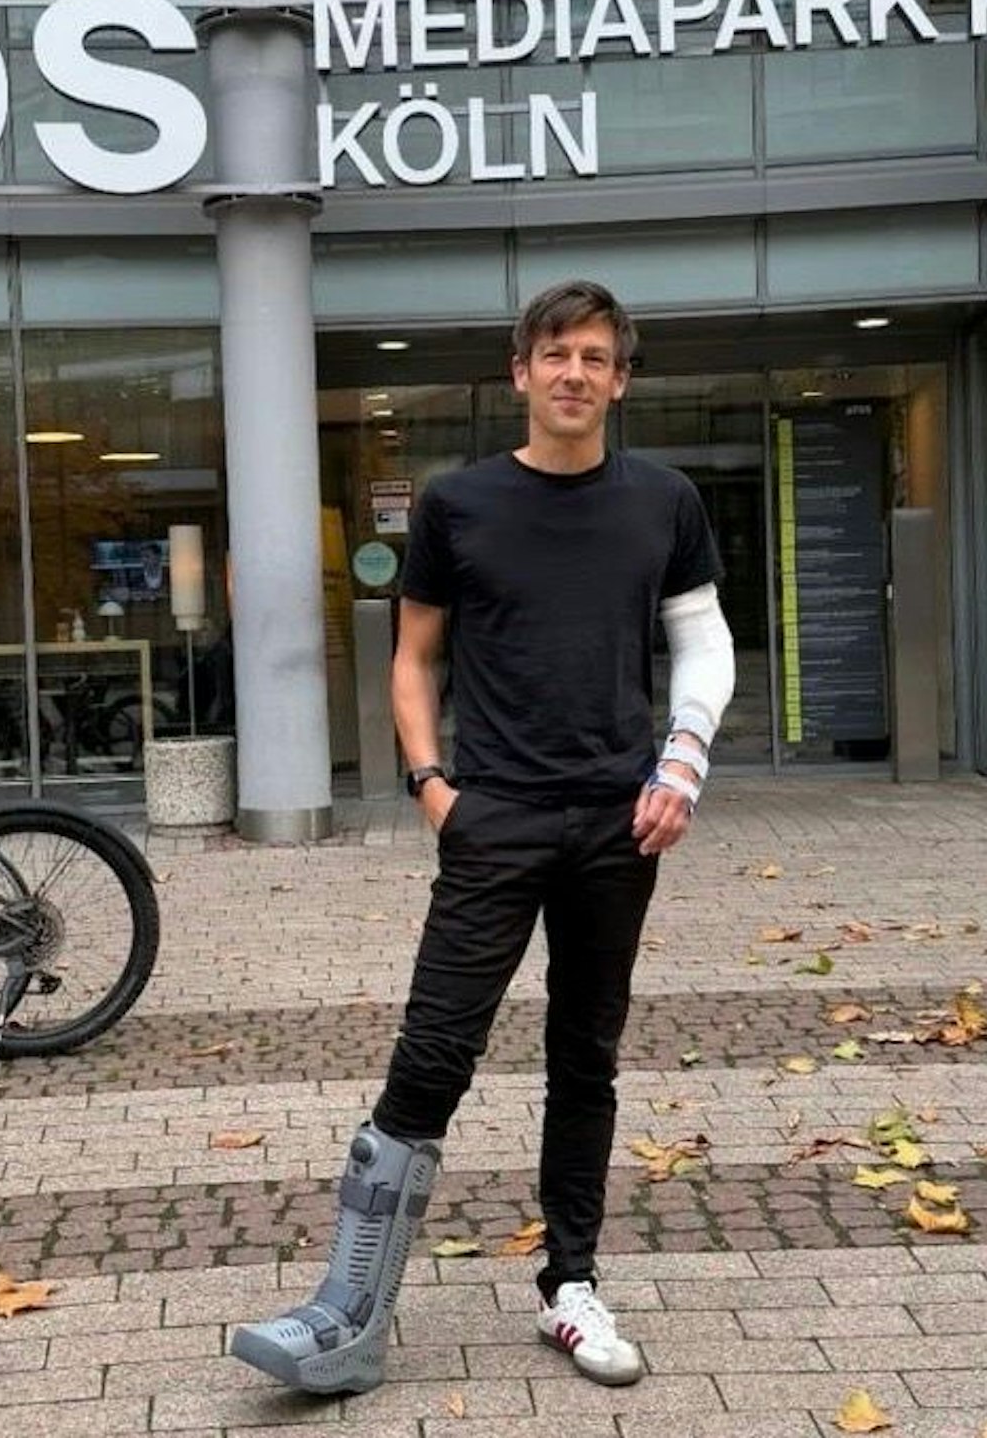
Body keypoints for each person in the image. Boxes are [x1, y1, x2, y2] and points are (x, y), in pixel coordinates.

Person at [231, 281, 736, 1395]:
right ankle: (349, 1315)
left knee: (584, 1057)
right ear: (520, 373)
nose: (574, 373)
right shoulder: (459, 505)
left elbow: (702, 644)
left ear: (619, 381)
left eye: (596, 357)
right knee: (431, 1053)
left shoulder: (663, 500)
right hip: (492, 817)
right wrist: (428, 783)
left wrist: (683, 759)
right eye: (555, 353)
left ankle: (569, 1285)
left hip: (619, 821)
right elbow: (413, 657)